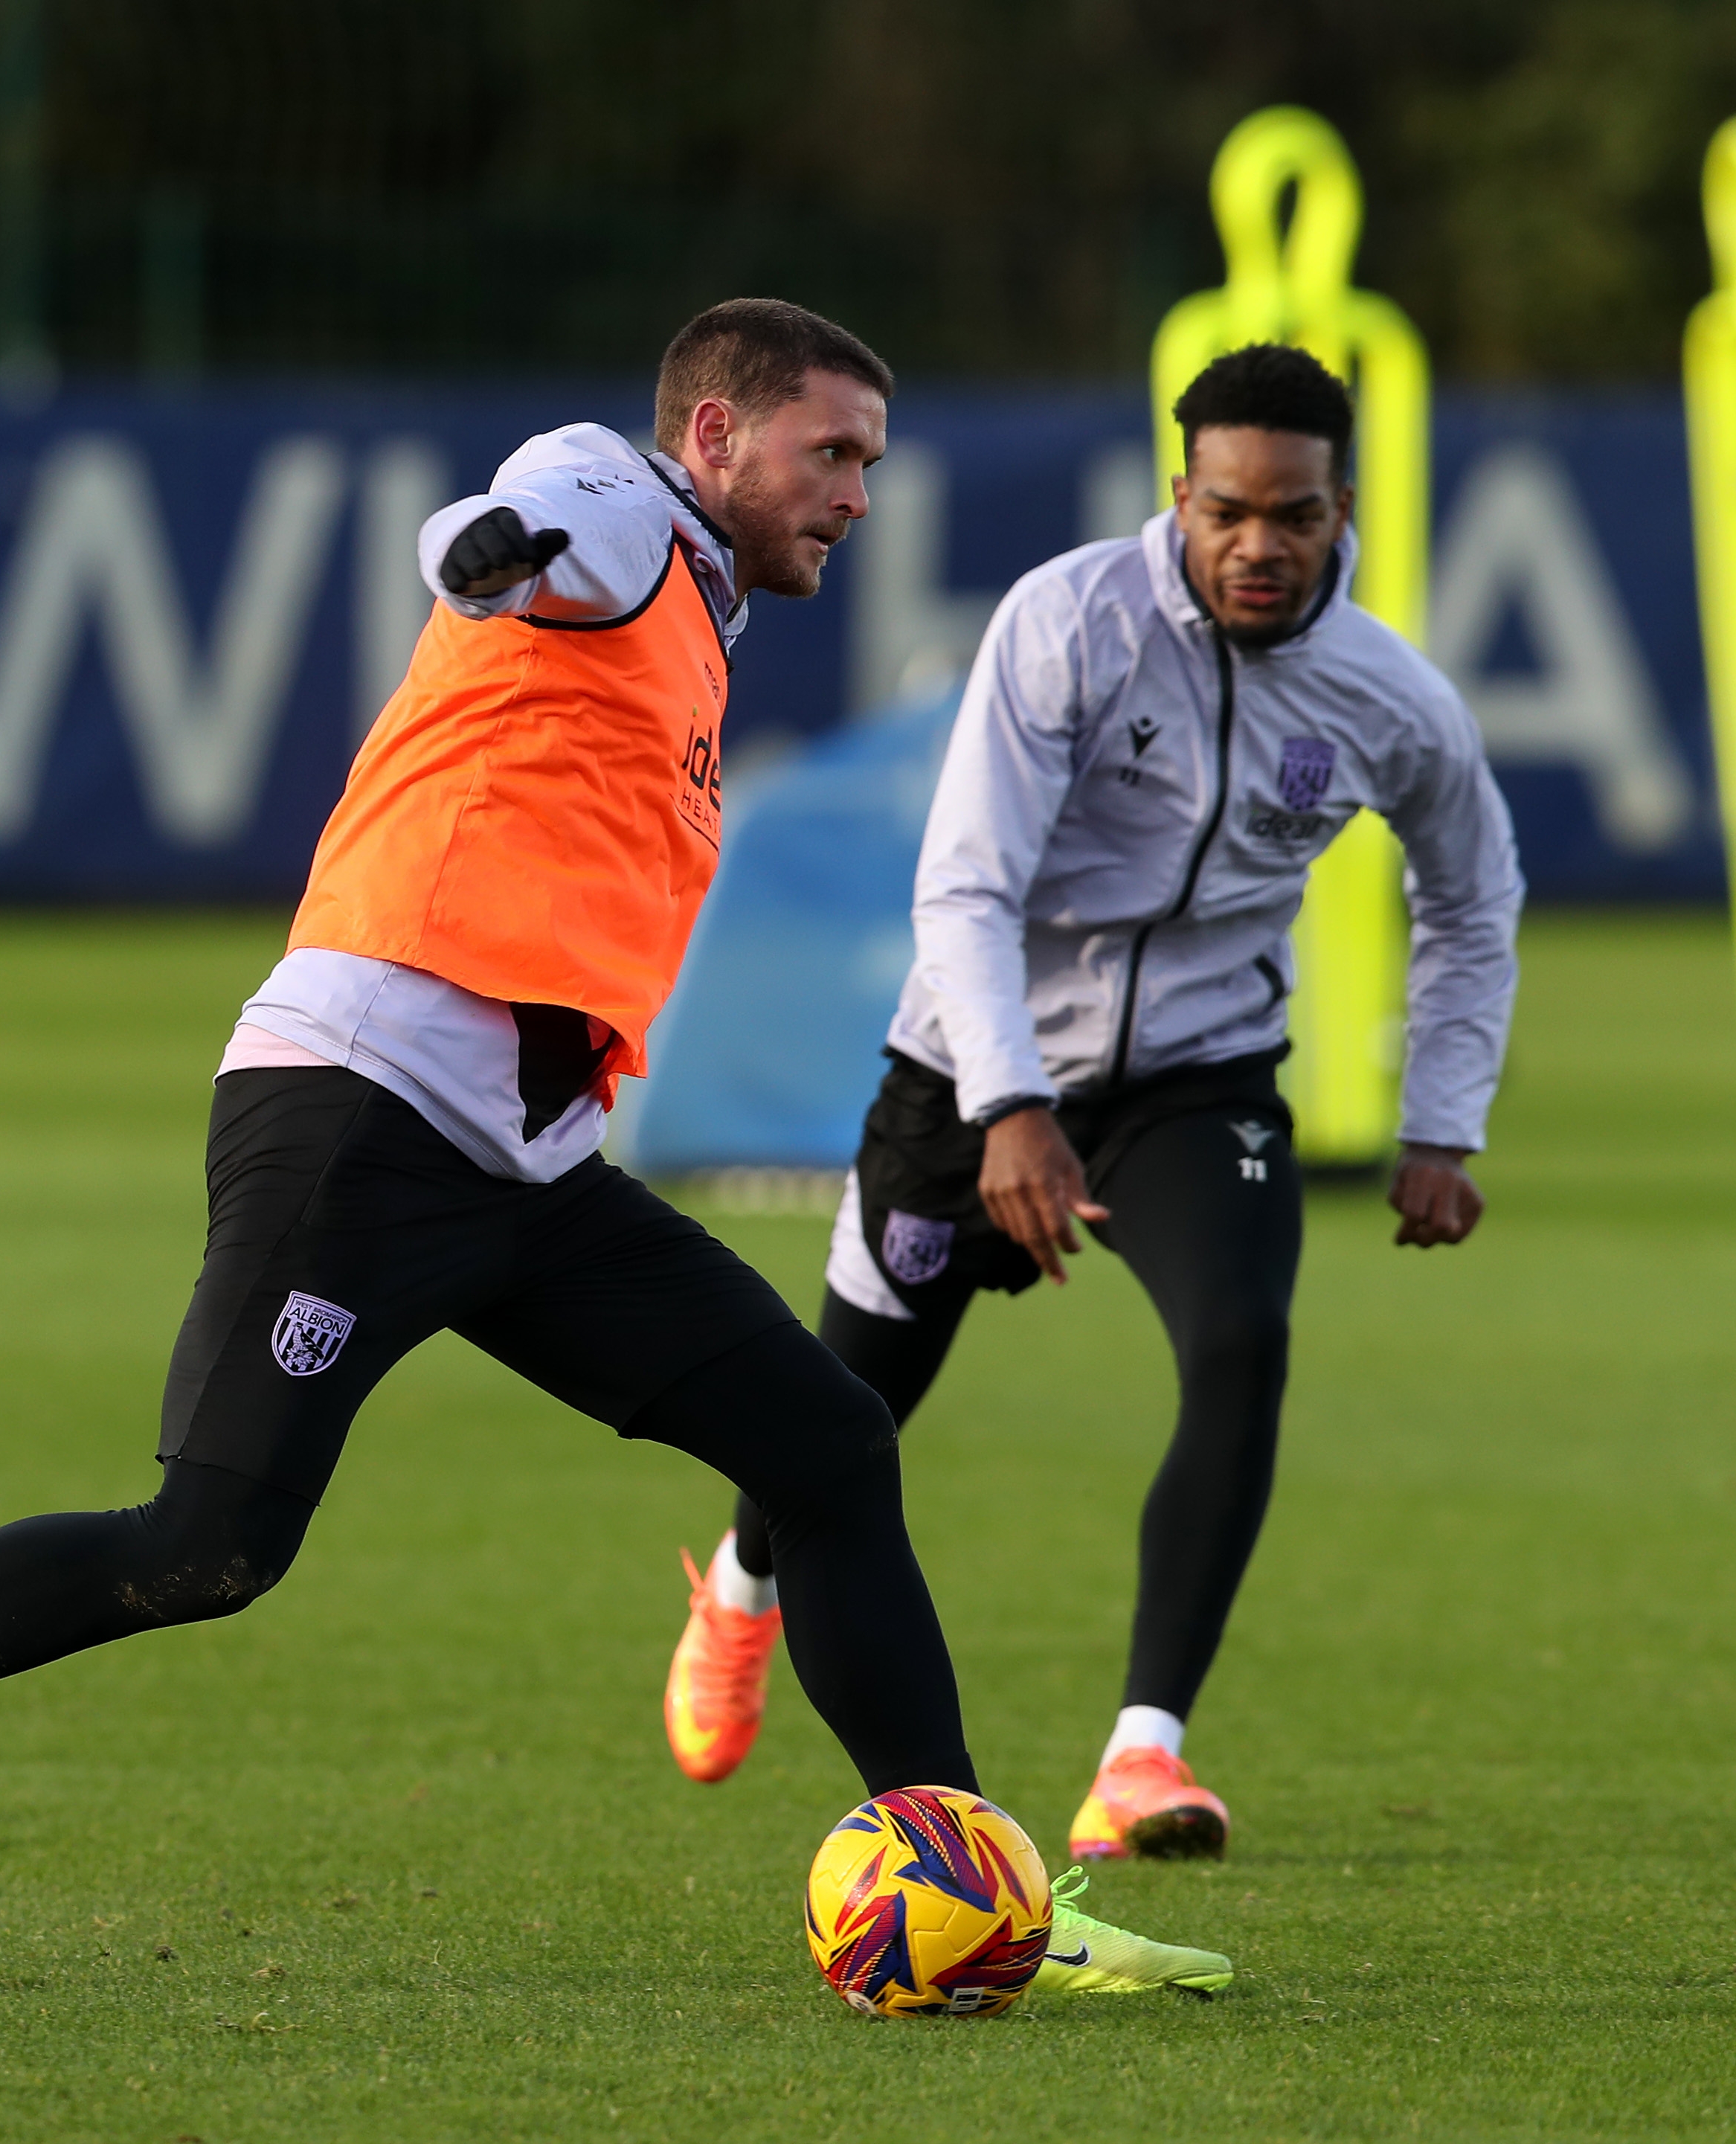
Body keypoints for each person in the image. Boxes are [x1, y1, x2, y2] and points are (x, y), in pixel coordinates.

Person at [0, 298, 1227, 1999]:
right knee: (205, 1547)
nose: (854, 492)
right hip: (361, 1114)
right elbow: (524, 528)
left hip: (524, 1164)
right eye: (826, 452)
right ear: (711, 438)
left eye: (868, 460)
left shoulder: (697, 605)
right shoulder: (615, 509)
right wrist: (496, 544)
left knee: (829, 1448)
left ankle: (986, 1894)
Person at [661, 344, 1524, 1867]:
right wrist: (1005, 1105)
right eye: (1228, 509)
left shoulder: (1390, 696)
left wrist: (1440, 1119)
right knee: (843, 1414)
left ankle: (1142, 1756)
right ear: (1177, 495)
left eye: (1296, 515)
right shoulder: (1065, 622)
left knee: (1241, 1344)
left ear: (1342, 513)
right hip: (964, 1074)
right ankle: (740, 1581)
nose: (1259, 542)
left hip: (1194, 1078)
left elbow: (1471, 895)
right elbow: (966, 880)